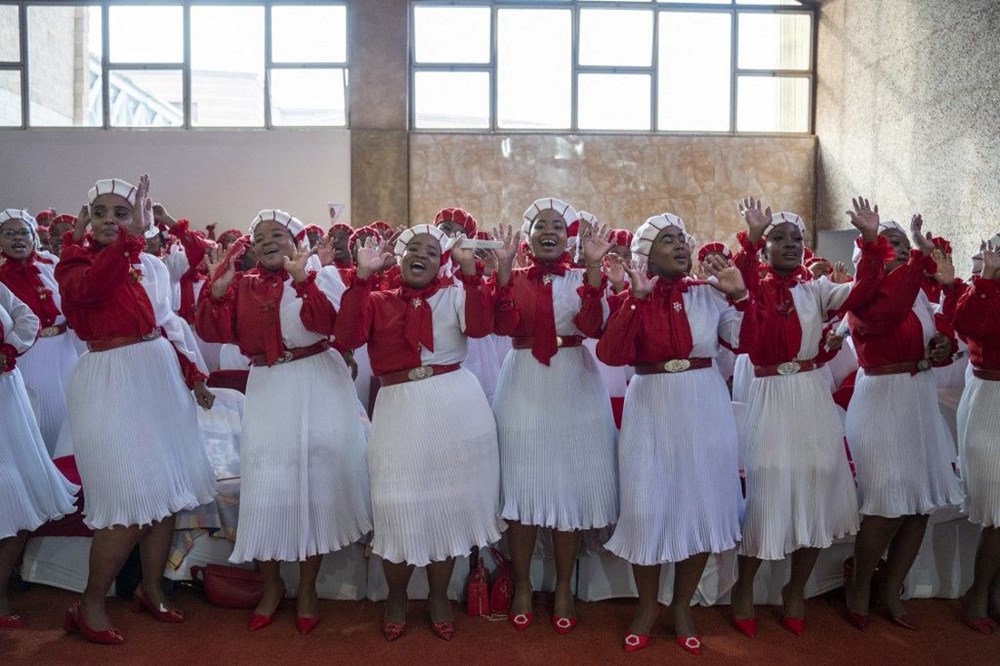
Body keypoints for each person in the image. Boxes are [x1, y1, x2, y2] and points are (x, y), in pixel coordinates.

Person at [56, 175, 217, 645]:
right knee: (126, 500)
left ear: (137, 217)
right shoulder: (74, 263)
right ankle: (89, 602)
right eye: (101, 213)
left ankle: (151, 589)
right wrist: (131, 240)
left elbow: (168, 324)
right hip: (109, 378)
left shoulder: (151, 265)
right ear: (87, 220)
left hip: (158, 375)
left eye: (121, 213)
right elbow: (91, 290)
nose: (111, 220)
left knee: (165, 493)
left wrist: (195, 375)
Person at [196, 209, 371, 635]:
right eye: (259, 237)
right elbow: (217, 331)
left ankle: (307, 590)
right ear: (252, 249)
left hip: (318, 383)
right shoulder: (242, 284)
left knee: (315, 483)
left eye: (278, 234)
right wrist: (215, 293)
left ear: (298, 242)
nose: (268, 241)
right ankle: (272, 586)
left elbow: (329, 325)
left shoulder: (320, 275)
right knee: (267, 486)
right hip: (269, 387)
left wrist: (301, 280)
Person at [334, 225, 503, 641]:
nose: (421, 255)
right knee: (397, 505)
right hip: (398, 408)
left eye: (431, 251)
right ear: (400, 255)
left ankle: (439, 595)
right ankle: (396, 595)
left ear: (441, 261)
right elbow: (347, 337)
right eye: (414, 248)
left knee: (444, 506)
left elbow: (481, 328)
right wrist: (361, 277)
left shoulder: (456, 294)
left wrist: (469, 274)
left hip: (456, 406)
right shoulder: (376, 298)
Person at [727, 196, 883, 638]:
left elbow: (865, 292)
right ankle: (744, 589)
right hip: (771, 392)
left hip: (812, 393)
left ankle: (795, 590)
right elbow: (739, 292)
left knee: (817, 481)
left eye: (797, 238)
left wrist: (869, 241)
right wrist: (752, 240)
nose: (791, 244)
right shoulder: (752, 286)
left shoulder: (815, 289)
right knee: (768, 486)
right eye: (780, 238)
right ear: (766, 246)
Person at [597, 213, 747, 655]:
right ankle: (647, 607)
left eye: (682, 239)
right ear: (646, 255)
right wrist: (635, 301)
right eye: (668, 241)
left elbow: (746, 342)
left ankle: (681, 606)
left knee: (698, 505)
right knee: (646, 507)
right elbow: (611, 353)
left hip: (704, 403)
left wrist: (739, 297)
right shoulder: (632, 295)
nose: (681, 246)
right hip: (651, 403)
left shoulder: (708, 294)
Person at [491, 198, 618, 634]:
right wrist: (504, 272)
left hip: (575, 383)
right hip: (524, 380)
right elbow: (501, 325)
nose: (549, 231)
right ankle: (524, 585)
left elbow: (595, 325)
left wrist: (596, 272)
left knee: (569, 490)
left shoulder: (584, 278)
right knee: (523, 490)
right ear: (527, 237)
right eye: (541, 225)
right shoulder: (514, 276)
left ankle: (564, 587)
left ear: (570, 238)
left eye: (558, 226)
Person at [843, 213, 964, 631]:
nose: (895, 246)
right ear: (869, 250)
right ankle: (859, 584)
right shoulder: (864, 294)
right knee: (886, 503)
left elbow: (943, 344)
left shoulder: (917, 295)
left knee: (919, 505)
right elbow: (883, 320)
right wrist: (919, 254)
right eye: (885, 240)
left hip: (918, 399)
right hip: (881, 399)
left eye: (899, 240)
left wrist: (941, 344)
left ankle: (891, 585)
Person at [0, 283, 78, 629]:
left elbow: (25, 316)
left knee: (21, 495)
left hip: (7, 393)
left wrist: (9, 346)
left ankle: (0, 591)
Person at [0, 209, 80, 454]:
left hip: (65, 347)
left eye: (24, 232)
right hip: (28, 354)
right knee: (38, 412)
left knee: (72, 407)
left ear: (34, 235)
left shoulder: (51, 263)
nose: (18, 239)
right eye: (9, 233)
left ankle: (74, 470)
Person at [952, 241, 1000, 634]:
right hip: (989, 401)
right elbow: (968, 326)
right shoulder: (979, 291)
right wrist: (986, 278)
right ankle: (979, 593)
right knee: (998, 511)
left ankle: (995, 591)